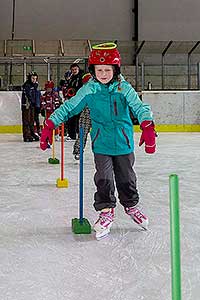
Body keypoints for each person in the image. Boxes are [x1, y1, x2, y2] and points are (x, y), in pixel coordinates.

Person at [40, 42, 156, 240]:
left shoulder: (123, 88)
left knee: (127, 177)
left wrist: (147, 125)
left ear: (115, 70)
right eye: (99, 70)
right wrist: (50, 124)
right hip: (101, 142)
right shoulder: (89, 90)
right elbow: (69, 108)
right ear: (93, 71)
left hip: (123, 142)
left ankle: (131, 206)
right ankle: (106, 211)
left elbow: (139, 107)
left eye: (107, 70)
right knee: (103, 177)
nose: (103, 73)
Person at [61, 63, 84, 140]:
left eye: (75, 69)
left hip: (79, 101)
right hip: (72, 101)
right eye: (73, 70)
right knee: (71, 118)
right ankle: (72, 135)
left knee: (78, 118)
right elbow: (67, 88)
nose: (74, 71)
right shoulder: (71, 78)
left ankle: (78, 134)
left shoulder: (81, 78)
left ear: (78, 69)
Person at [72, 73, 92, 160]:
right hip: (86, 114)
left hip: (99, 115)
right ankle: (78, 151)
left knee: (102, 134)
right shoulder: (82, 92)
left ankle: (105, 153)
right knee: (82, 133)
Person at [21, 71, 40, 142]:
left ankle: (32, 133)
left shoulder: (34, 85)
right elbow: (28, 96)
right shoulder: (27, 85)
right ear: (30, 78)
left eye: (35, 78)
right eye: (33, 78)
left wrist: (37, 105)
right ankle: (26, 135)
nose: (34, 80)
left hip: (32, 105)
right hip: (26, 105)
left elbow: (36, 95)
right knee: (26, 120)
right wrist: (33, 102)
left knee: (32, 120)